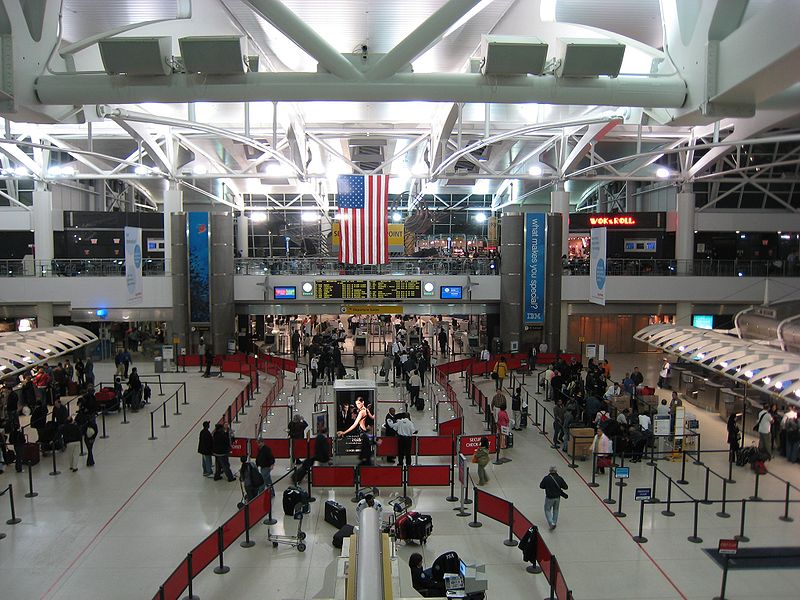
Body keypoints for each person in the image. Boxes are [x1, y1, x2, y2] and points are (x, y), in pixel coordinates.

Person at [539, 466, 568, 530]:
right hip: (557, 497)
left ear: (549, 471)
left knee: (547, 509)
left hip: (549, 497)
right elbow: (566, 487)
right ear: (556, 471)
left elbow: (541, 486)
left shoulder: (546, 478)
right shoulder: (560, 478)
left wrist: (547, 487)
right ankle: (554, 522)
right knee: (556, 510)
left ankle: (551, 523)